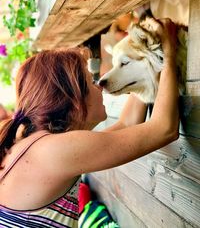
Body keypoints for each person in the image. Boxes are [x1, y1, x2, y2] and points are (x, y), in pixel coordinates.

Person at [0, 18, 179, 227]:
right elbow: (164, 129)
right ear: (75, 100)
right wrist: (169, 52)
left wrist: (149, 58)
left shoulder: (34, 142)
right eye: (90, 80)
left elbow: (127, 125)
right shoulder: (54, 150)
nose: (99, 85)